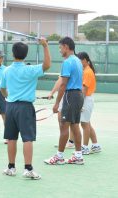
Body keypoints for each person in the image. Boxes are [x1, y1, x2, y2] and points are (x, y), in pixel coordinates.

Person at [0, 39, 50, 179]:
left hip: (10, 107)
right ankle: (28, 169)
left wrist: (8, 98)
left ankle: (11, 167)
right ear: (25, 55)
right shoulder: (30, 70)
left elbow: (2, 89)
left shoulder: (6, 70)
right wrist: (45, 46)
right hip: (25, 108)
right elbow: (47, 65)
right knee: (27, 139)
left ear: (12, 54)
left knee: (11, 138)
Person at [44, 37, 84, 165]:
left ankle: (59, 157)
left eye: (60, 47)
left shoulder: (67, 62)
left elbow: (63, 84)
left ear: (66, 47)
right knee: (75, 125)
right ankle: (78, 156)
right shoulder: (77, 60)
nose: (60, 50)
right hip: (78, 96)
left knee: (64, 126)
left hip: (71, 96)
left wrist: (56, 103)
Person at [76, 52, 101, 155]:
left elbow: (84, 90)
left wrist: (80, 103)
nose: (79, 63)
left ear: (85, 60)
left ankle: (85, 147)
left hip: (86, 99)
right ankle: (95, 145)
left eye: (80, 60)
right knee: (87, 123)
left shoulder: (87, 72)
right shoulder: (86, 70)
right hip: (87, 99)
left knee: (84, 124)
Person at [49, 77, 75, 149]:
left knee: (70, 122)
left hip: (69, 96)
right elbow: (60, 80)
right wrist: (52, 92)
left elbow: (61, 82)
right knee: (63, 121)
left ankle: (71, 142)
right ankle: (64, 142)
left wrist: (52, 93)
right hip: (68, 95)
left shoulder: (68, 66)